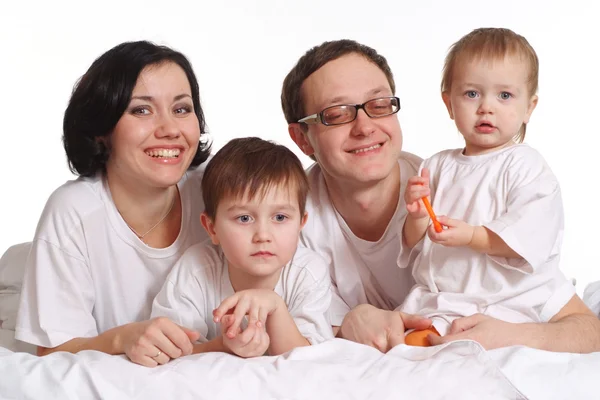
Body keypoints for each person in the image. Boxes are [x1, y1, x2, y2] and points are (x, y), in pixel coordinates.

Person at [282, 38, 600, 353]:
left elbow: (586, 327)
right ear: (303, 139)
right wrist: (350, 322)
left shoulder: (461, 191)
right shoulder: (286, 223)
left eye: (379, 105)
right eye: (337, 113)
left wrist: (511, 336)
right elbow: (289, 328)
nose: (364, 127)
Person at [15, 41, 210, 367]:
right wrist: (122, 338)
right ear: (101, 130)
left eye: (181, 109)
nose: (170, 129)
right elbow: (50, 353)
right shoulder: (73, 210)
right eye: (141, 110)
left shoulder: (215, 188)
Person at [400, 27, 575, 344]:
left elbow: (526, 237)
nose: (486, 107)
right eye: (471, 94)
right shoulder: (435, 166)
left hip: (506, 298)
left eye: (504, 95)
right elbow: (413, 243)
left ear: (529, 108)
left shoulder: (525, 165)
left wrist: (471, 235)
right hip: (446, 297)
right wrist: (416, 216)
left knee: (441, 347)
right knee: (406, 344)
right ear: (449, 104)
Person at [151, 137, 333, 358]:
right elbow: (170, 351)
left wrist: (275, 307)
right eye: (244, 218)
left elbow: (311, 359)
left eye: (280, 217)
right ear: (212, 228)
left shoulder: (308, 272)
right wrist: (223, 345)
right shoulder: (196, 268)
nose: (263, 235)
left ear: (301, 224)